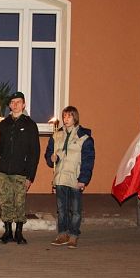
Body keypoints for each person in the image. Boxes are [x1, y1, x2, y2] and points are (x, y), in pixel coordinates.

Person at [0, 91, 40, 245]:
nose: (15, 104)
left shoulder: (30, 125)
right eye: (12, 102)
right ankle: (7, 232)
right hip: (3, 171)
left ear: (24, 104)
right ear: (10, 105)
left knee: (19, 202)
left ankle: (19, 232)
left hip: (21, 172)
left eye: (18, 102)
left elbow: (35, 153)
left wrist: (30, 176)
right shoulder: (3, 124)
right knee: (5, 202)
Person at [44, 105, 95, 249]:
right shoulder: (57, 135)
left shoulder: (84, 138)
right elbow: (49, 154)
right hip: (60, 177)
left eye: (69, 116)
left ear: (75, 118)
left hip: (75, 177)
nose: (66, 119)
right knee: (61, 208)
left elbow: (88, 159)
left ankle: (73, 235)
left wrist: (84, 179)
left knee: (75, 209)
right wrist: (51, 158)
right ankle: (62, 234)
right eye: (64, 116)